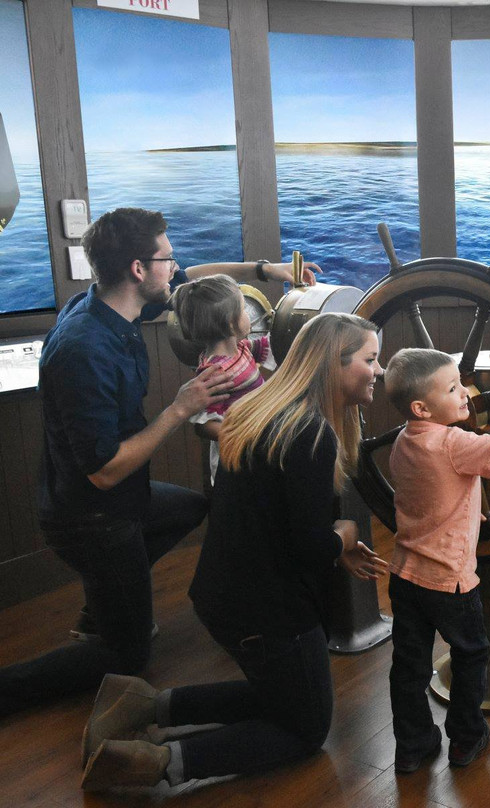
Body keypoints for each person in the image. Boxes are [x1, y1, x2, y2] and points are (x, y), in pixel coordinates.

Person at [0, 207, 317, 719]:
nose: (177, 266)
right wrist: (182, 408)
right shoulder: (84, 349)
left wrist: (267, 271)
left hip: (118, 500)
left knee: (191, 507)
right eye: (167, 259)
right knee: (126, 655)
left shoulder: (108, 306)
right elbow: (103, 471)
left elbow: (201, 278)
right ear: (137, 269)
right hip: (93, 517)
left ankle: (107, 598)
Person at [79, 312, 389, 791]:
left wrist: (331, 543)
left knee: (280, 697)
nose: (380, 370)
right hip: (267, 612)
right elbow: (307, 549)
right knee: (305, 729)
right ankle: (153, 763)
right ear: (334, 363)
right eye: (371, 359)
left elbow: (275, 519)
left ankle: (143, 705)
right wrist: (342, 537)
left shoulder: (264, 413)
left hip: (226, 596)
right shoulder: (311, 434)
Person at [381, 348, 490, 772]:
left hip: (405, 575)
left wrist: (476, 511)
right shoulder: (455, 443)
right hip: (450, 581)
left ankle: (413, 746)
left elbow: (434, 497)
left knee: (408, 666)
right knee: (471, 656)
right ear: (422, 406)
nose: (465, 395)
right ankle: (466, 739)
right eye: (453, 388)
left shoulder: (402, 441)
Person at [171, 274, 273, 484]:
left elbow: (272, 345)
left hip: (256, 449)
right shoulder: (217, 372)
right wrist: (250, 437)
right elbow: (204, 425)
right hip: (237, 465)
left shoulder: (240, 349)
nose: (248, 314)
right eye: (244, 309)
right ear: (230, 323)